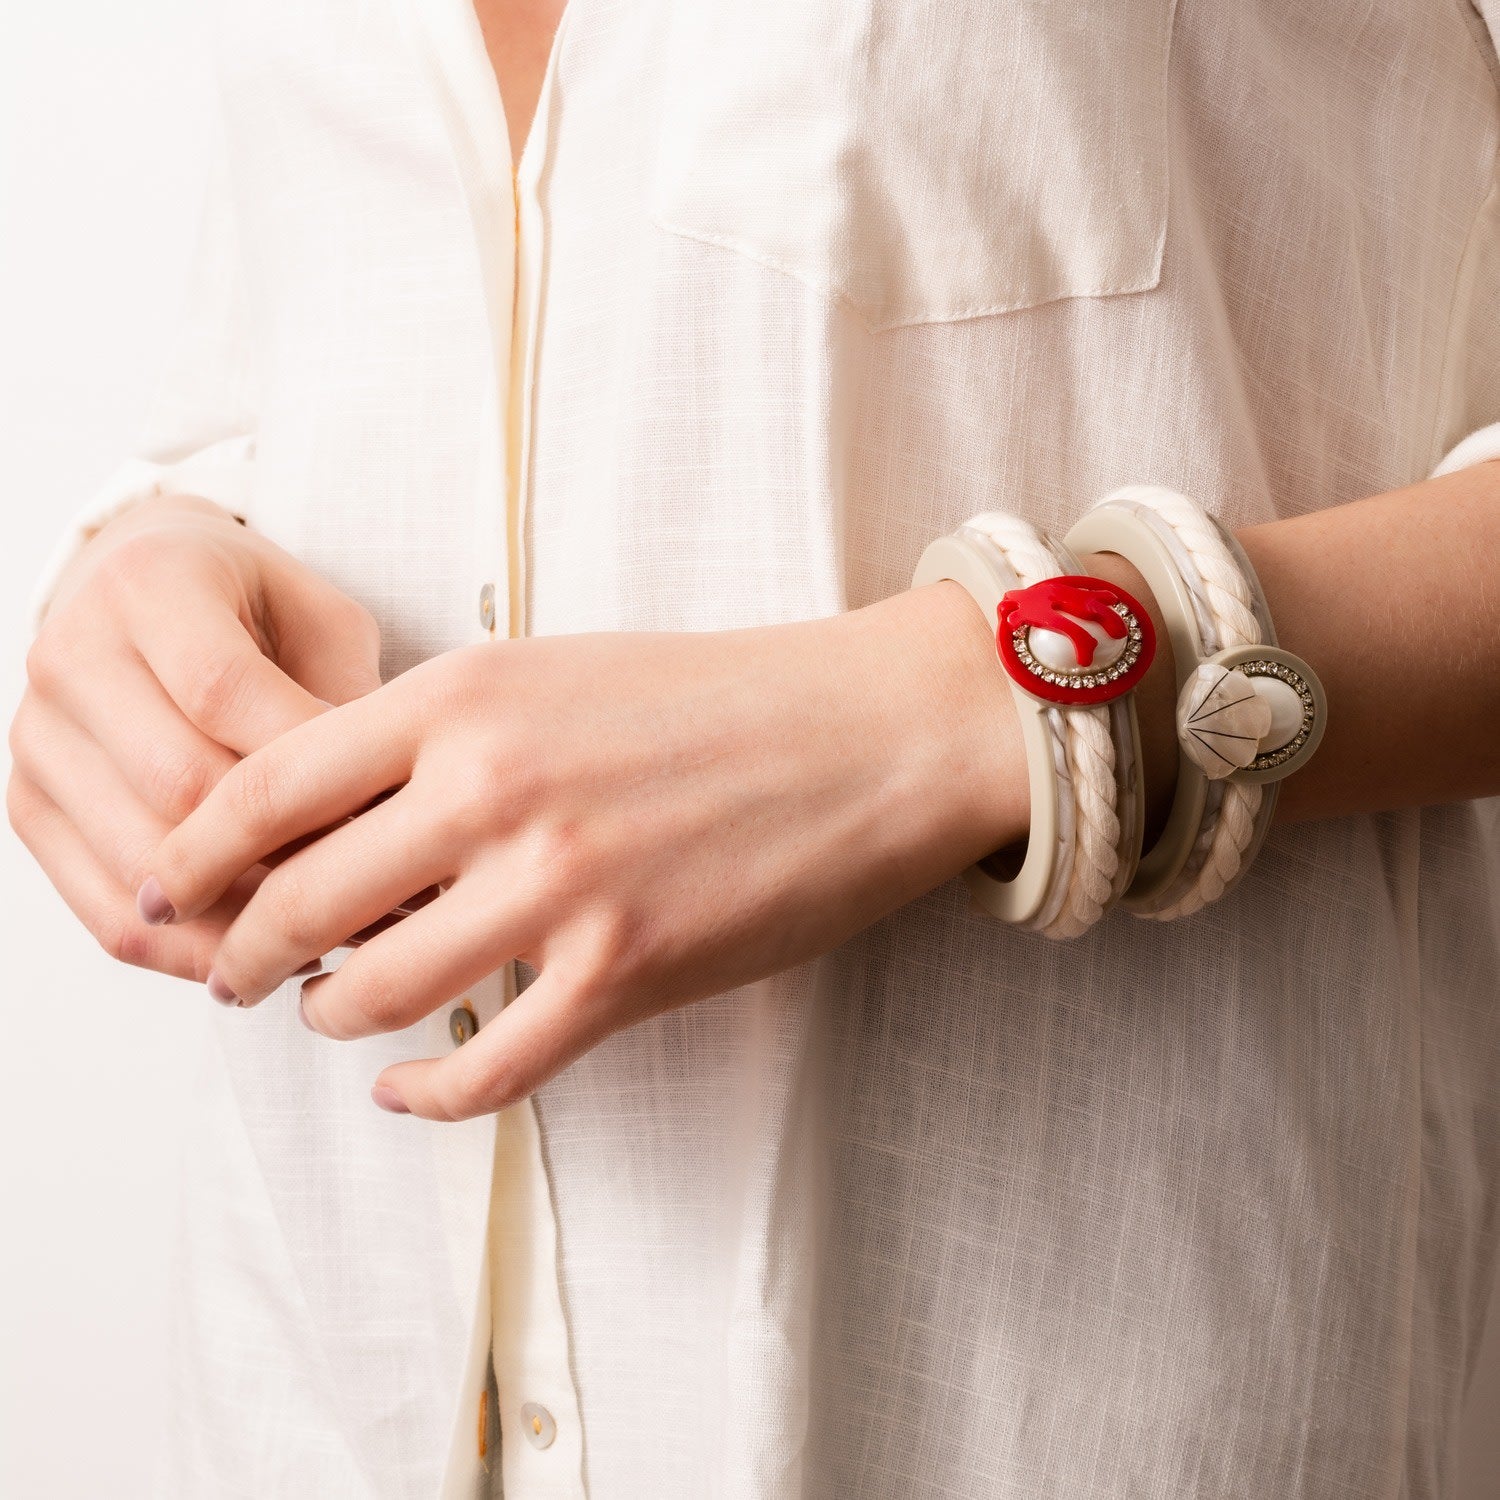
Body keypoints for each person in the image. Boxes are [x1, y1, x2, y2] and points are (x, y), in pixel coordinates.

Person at [10, 0, 1500, 1495]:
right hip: (314, 1369)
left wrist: (949, 713)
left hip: (1082, 1387)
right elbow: (296, 359)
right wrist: (157, 553)